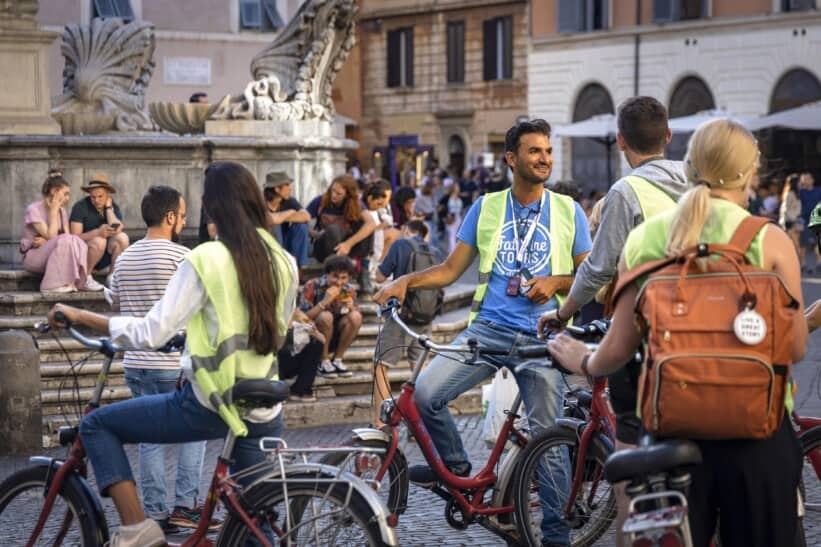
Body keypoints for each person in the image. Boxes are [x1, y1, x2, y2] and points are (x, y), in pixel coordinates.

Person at [548, 118, 807, 547]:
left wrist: (585, 359)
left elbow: (619, 345)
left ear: (687, 168)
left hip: (672, 437)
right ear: (752, 173)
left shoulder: (648, 238)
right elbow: (795, 347)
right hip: (758, 435)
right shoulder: (771, 240)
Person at [47, 161, 297, 547]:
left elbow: (151, 331)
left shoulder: (207, 258)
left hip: (211, 401)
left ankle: (139, 530)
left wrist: (81, 315)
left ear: (212, 208)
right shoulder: (284, 260)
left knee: (98, 425)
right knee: (255, 528)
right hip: (264, 403)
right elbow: (270, 330)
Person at [375, 119, 592, 546]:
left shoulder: (568, 210)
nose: (544, 158)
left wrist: (556, 282)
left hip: (540, 340)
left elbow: (589, 272)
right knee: (424, 393)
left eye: (547, 151)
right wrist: (405, 281)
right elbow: (451, 270)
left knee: (548, 444)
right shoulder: (487, 207)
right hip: (486, 331)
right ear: (512, 159)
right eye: (535, 151)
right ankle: (460, 476)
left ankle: (556, 539)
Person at [539, 96, 687, 442]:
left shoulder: (625, 192)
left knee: (628, 442)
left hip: (646, 330)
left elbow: (598, 268)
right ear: (667, 135)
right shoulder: (696, 182)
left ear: (620, 140)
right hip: (697, 322)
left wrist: (563, 313)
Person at [105, 185, 213, 532]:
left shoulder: (125, 257)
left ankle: (154, 511)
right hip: (172, 361)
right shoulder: (182, 257)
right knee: (194, 432)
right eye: (181, 216)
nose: (183, 221)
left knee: (149, 438)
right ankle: (187, 505)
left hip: (136, 362)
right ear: (169, 217)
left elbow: (118, 306)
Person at [373, 220, 444, 426]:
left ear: (406, 230)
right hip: (426, 316)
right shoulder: (436, 252)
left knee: (381, 365)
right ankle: (418, 424)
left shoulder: (400, 244)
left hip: (402, 316)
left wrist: (386, 249)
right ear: (425, 234)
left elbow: (379, 276)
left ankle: (381, 424)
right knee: (419, 371)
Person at [20, 170, 94, 293]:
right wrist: (53, 211)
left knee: (75, 239)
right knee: (65, 239)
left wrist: (47, 241)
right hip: (34, 257)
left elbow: (67, 237)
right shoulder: (33, 210)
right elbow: (52, 235)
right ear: (54, 191)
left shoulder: (62, 211)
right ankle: (50, 285)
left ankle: (81, 280)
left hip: (52, 253)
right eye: (65, 194)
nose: (68, 198)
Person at [300, 254, 362, 378]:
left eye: (343, 278)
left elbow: (356, 317)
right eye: (335, 276)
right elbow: (302, 318)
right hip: (313, 335)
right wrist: (324, 303)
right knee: (325, 316)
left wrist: (351, 307)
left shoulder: (348, 290)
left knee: (356, 316)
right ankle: (324, 361)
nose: (339, 282)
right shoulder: (312, 285)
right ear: (327, 274)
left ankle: (337, 360)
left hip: (336, 334)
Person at [69, 173, 130, 286]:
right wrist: (97, 232)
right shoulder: (80, 207)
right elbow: (73, 238)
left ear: (108, 195)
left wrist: (108, 208)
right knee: (99, 240)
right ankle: (85, 278)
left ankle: (112, 277)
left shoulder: (112, 206)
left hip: (105, 257)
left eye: (100, 196)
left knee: (123, 238)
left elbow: (118, 227)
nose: (96, 200)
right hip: (84, 255)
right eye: (93, 197)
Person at [307, 174, 376, 266]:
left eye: (338, 194)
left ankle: (364, 268)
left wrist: (348, 244)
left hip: (345, 245)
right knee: (333, 230)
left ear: (347, 195)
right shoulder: (321, 201)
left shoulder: (355, 204)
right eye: (333, 191)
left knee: (367, 228)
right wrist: (315, 233)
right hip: (324, 246)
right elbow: (304, 218)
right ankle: (334, 266)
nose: (333, 195)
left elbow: (371, 223)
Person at [264, 171, 311, 267]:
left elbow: (306, 216)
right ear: (277, 189)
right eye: (287, 185)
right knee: (275, 225)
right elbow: (270, 220)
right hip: (267, 246)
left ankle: (299, 267)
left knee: (301, 226)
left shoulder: (289, 201)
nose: (291, 188)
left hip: (286, 243)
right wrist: (289, 213)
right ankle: (278, 262)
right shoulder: (261, 201)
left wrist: (280, 217)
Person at [279, 309, 324, 402]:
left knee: (317, 344)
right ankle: (276, 390)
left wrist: (313, 331)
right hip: (274, 361)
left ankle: (300, 390)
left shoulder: (297, 313)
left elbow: (323, 339)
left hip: (291, 359)